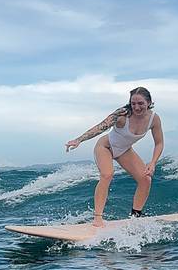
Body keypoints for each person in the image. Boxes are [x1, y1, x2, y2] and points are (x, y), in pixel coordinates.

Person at [65, 87, 164, 226]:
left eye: (141, 103)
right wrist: (79, 140)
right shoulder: (122, 114)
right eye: (133, 103)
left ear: (149, 102)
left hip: (124, 150)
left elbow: (159, 143)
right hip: (105, 147)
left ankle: (135, 216)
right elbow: (100, 127)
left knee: (145, 179)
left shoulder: (154, 119)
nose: (136, 107)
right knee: (107, 174)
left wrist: (153, 162)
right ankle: (98, 218)